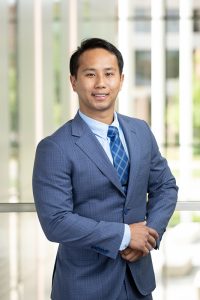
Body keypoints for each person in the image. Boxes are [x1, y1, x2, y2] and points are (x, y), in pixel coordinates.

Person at [32, 37, 178, 300]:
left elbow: (165, 186)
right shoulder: (55, 147)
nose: (100, 83)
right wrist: (124, 236)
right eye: (90, 74)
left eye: (109, 74)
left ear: (121, 80)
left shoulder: (140, 131)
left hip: (138, 283)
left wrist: (148, 236)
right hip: (84, 287)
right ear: (74, 81)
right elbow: (56, 221)